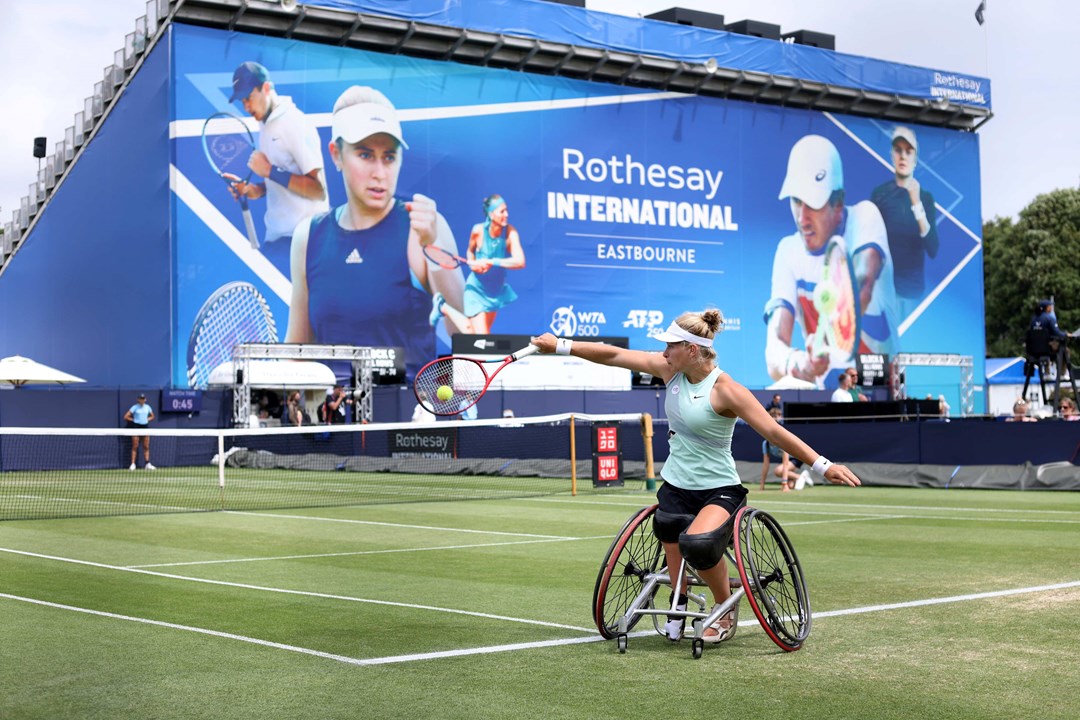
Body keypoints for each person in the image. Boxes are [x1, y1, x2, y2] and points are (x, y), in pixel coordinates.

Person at [531, 308, 861, 644]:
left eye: (670, 346)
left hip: (719, 490)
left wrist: (822, 465)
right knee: (667, 525)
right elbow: (615, 355)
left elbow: (774, 432)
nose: (663, 353)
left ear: (691, 350)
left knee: (699, 544)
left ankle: (724, 606)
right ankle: (679, 601)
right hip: (676, 484)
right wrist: (560, 345)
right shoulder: (669, 370)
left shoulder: (726, 390)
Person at [284, 85, 469, 380]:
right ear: (336, 155)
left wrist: (433, 248)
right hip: (330, 420)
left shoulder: (422, 228)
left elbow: (466, 336)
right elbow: (297, 351)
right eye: (365, 155)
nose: (380, 172)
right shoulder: (309, 236)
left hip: (407, 419)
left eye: (389, 157)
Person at [764, 135, 899, 387]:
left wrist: (823, 340)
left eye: (813, 204)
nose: (802, 218)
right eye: (796, 201)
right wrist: (801, 363)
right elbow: (773, 353)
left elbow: (861, 284)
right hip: (832, 396)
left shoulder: (865, 217)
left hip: (879, 384)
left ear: (838, 204)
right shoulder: (787, 251)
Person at [227, 62, 329, 276]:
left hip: (306, 243)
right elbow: (284, 175)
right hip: (278, 241)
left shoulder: (294, 123)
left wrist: (270, 171)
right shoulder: (265, 124)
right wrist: (256, 190)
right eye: (242, 100)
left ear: (266, 88)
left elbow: (317, 190)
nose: (246, 106)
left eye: (249, 97)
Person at [870, 126, 939, 317]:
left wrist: (916, 202)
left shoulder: (925, 198)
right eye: (898, 150)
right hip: (883, 294)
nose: (903, 156)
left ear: (915, 159)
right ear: (891, 154)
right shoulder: (880, 195)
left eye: (909, 152)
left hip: (912, 297)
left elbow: (932, 248)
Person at [458, 194, 526, 334]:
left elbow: (520, 262)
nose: (506, 214)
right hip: (476, 290)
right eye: (502, 211)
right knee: (484, 340)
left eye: (506, 210)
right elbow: (470, 252)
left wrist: (491, 261)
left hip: (494, 292)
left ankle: (443, 307)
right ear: (491, 214)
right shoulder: (477, 231)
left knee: (473, 334)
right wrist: (473, 265)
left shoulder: (510, 233)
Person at [760, 408, 803, 492]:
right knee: (791, 485)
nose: (775, 418)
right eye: (773, 416)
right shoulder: (766, 444)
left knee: (778, 471)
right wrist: (762, 484)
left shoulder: (783, 439)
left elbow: (786, 462)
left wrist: (784, 484)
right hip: (786, 463)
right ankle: (798, 477)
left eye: (778, 416)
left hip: (796, 459)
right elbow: (766, 465)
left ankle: (800, 477)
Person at [123, 394, 156, 470]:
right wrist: (134, 420)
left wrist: (147, 419)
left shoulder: (148, 407)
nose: (142, 400)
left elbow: (152, 416)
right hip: (136, 427)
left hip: (145, 427)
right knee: (135, 446)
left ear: (145, 399)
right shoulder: (134, 407)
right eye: (141, 398)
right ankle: (133, 464)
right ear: (138, 399)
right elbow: (126, 416)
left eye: (143, 398)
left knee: (146, 446)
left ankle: (147, 464)